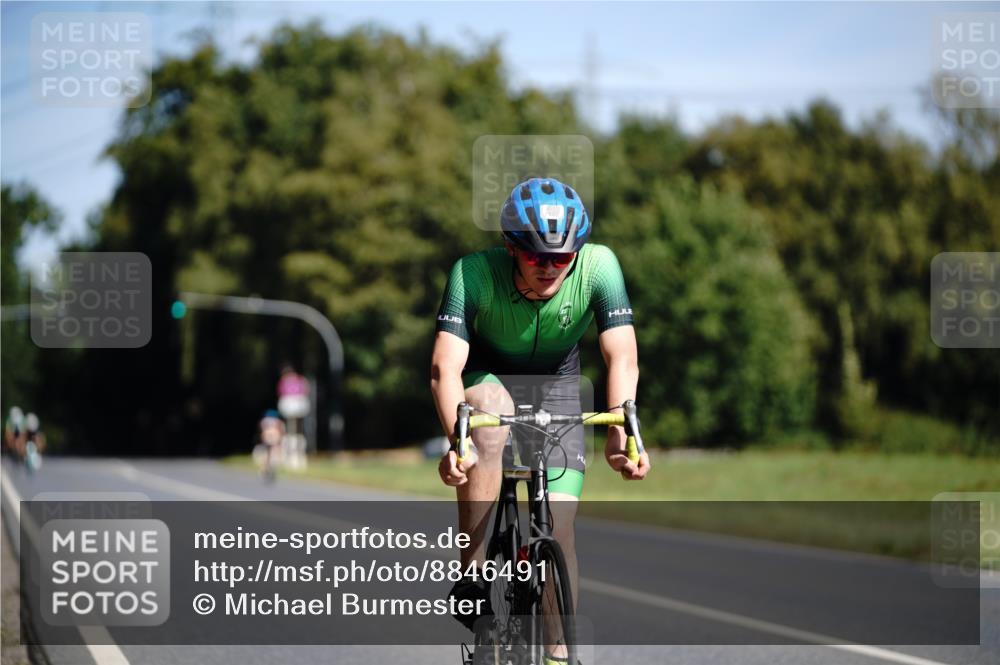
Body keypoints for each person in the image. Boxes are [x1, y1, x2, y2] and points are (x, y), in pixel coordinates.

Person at [430, 177, 651, 659]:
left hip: (558, 383)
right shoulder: (472, 273)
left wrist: (622, 435)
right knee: (491, 415)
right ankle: (473, 571)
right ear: (511, 247)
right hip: (491, 377)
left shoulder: (599, 266)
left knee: (560, 529)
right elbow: (444, 368)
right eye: (536, 257)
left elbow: (623, 357)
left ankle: (556, 653)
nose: (550, 267)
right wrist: (457, 443)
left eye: (562, 257)